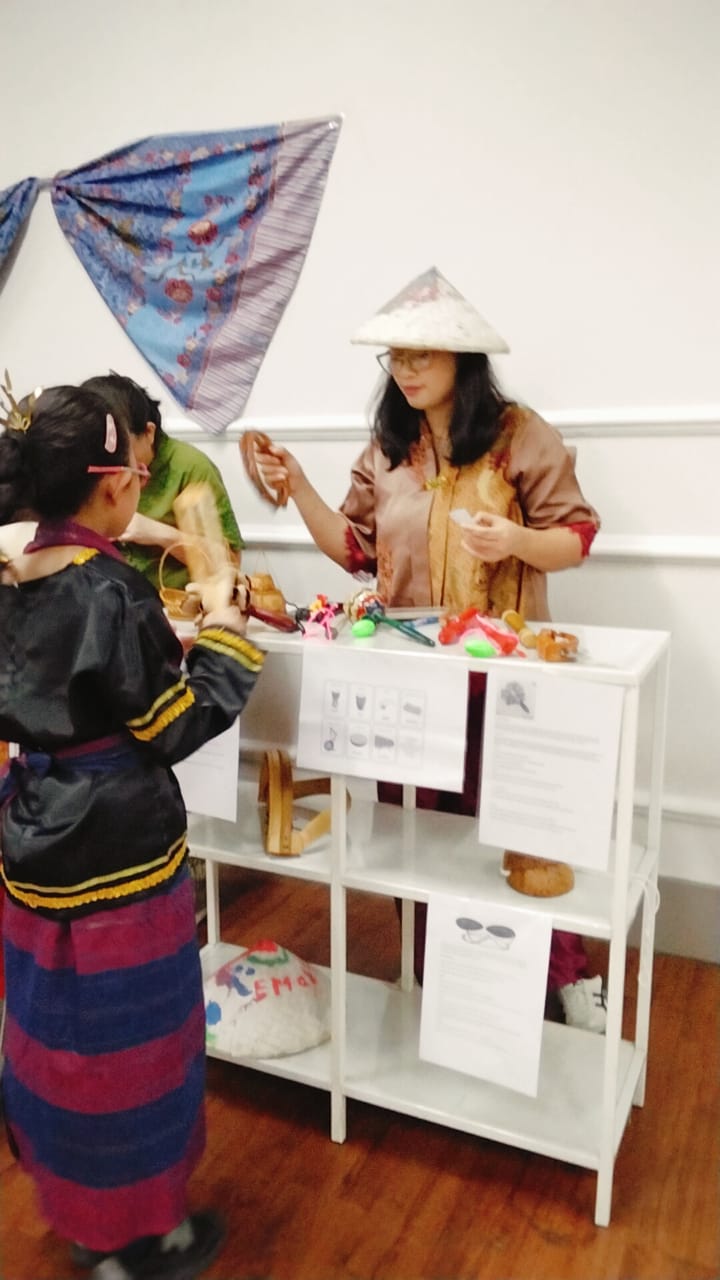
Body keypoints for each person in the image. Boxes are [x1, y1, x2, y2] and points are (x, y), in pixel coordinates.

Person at [245, 266, 607, 1034]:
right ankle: (440, 972)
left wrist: (515, 541)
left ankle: (565, 977)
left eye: (422, 355)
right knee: (416, 834)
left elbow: (575, 537)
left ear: (461, 359)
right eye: (396, 357)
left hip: (501, 677)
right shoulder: (388, 448)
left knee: (521, 830)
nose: (405, 370)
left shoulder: (519, 435)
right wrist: (300, 485)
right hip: (409, 676)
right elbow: (354, 549)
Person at [0, 384, 265, 1280]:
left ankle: (86, 1223)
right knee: (132, 1053)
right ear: (116, 484)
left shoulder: (12, 572)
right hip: (118, 853)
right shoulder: (110, 591)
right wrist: (225, 632)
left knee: (56, 1046)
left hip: (33, 835)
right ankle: (141, 1240)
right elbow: (170, 724)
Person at [82, 373, 243, 591]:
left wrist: (156, 533)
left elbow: (231, 564)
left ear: (149, 432)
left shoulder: (189, 466)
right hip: (109, 600)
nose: (114, 462)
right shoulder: (91, 468)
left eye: (123, 448)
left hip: (180, 603)